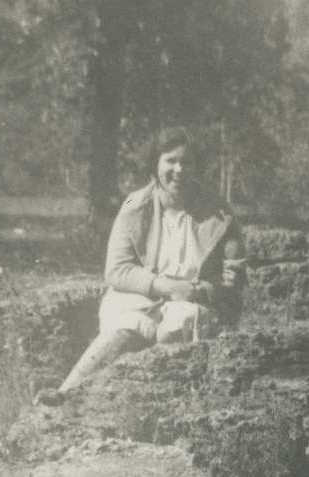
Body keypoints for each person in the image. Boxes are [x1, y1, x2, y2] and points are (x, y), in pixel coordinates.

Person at [38, 126, 246, 405]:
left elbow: (234, 278)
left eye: (187, 161)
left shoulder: (219, 214)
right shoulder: (136, 208)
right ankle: (67, 393)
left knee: (175, 325)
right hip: (146, 298)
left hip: (196, 304)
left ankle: (160, 406)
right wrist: (164, 286)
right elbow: (116, 269)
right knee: (128, 325)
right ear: (155, 164)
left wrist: (198, 290)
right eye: (170, 161)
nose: (179, 169)